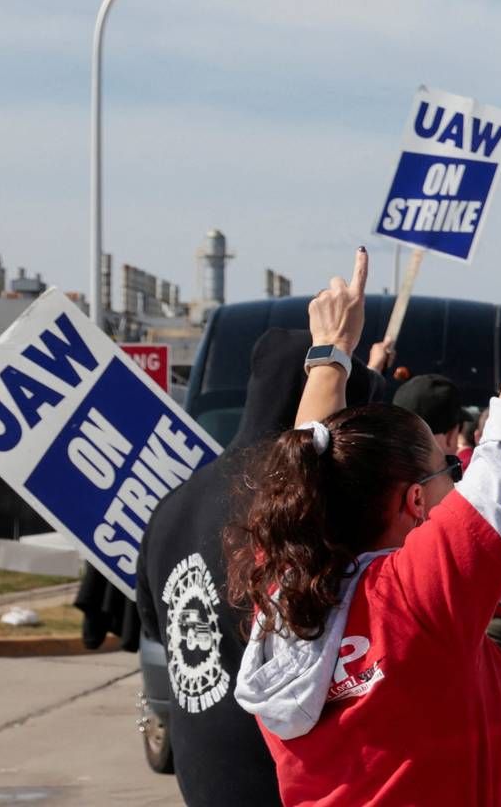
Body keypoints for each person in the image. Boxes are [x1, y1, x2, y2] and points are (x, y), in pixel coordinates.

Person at [227, 156, 501, 804]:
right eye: (445, 474)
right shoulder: (419, 596)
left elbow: (312, 458)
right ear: (414, 500)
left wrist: (332, 356)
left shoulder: (287, 595)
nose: (457, 483)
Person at [135, 326, 385, 806]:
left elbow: (154, 627)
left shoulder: (173, 504)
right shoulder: (291, 505)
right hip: (285, 775)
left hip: (203, 772)